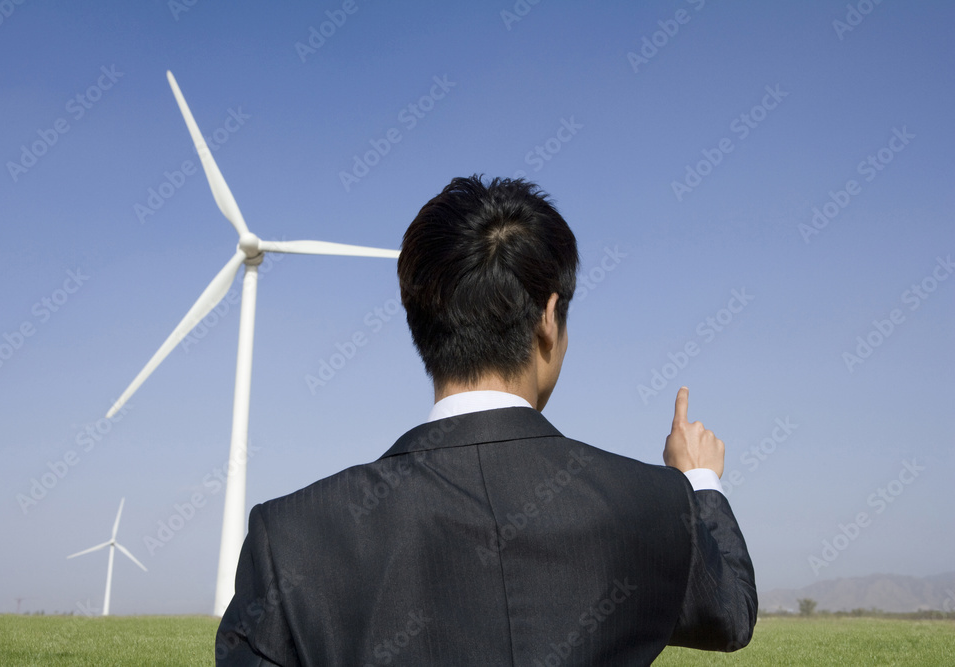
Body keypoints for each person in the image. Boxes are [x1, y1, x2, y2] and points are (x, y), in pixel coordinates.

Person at [215, 175, 757, 666]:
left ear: (418, 315)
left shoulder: (290, 538)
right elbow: (729, 614)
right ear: (549, 318)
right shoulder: (655, 505)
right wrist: (698, 483)